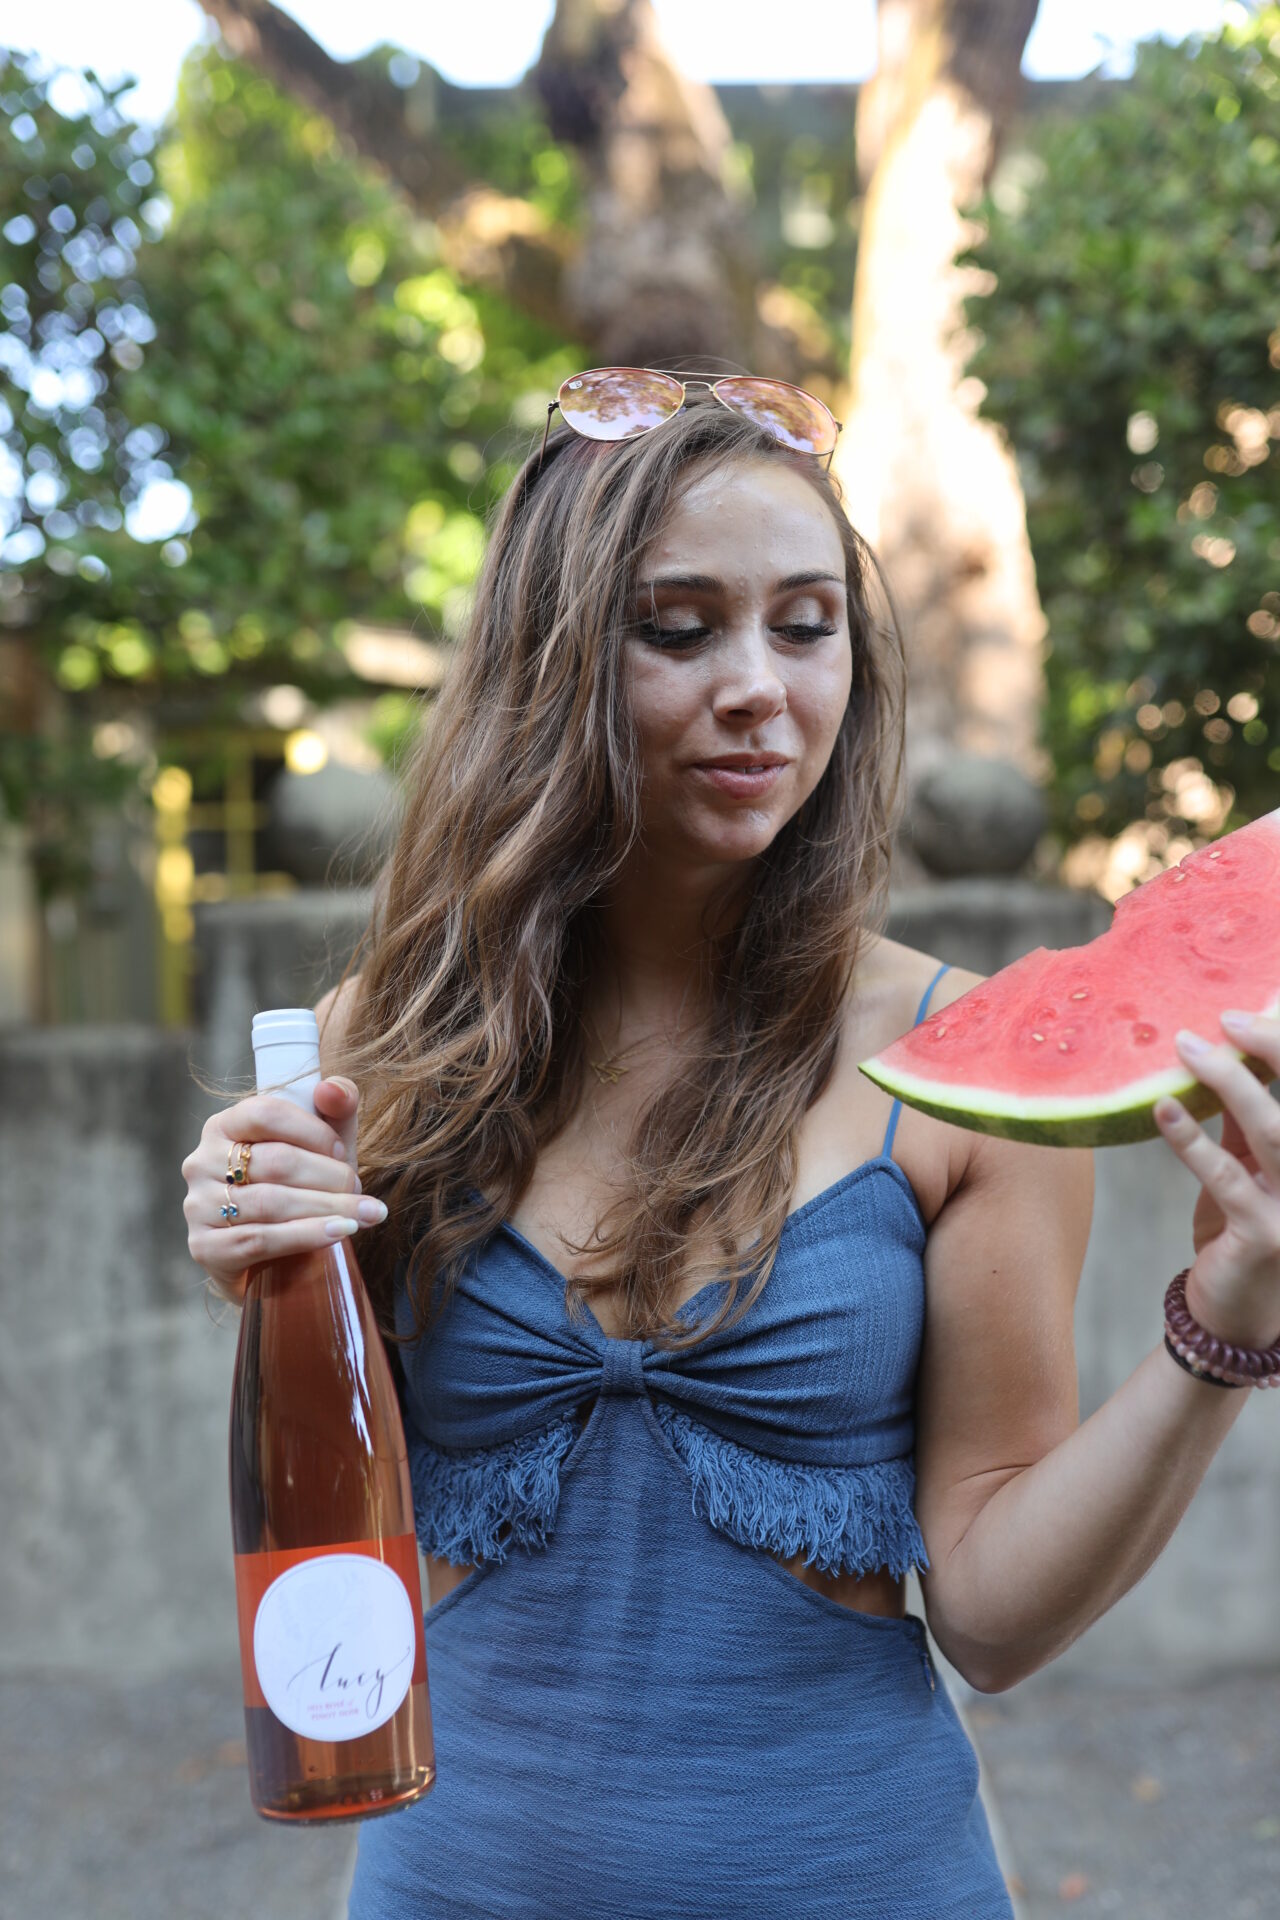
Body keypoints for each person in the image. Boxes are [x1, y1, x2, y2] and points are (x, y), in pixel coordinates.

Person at [182, 372, 1280, 1920]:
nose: (761, 686)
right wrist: (258, 1257)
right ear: (551, 660)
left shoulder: (955, 1075)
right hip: (455, 1886)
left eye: (808, 623)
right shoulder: (391, 1042)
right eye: (680, 628)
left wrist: (1221, 1330)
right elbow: (322, 1483)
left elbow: (992, 1616)